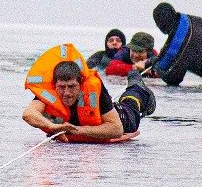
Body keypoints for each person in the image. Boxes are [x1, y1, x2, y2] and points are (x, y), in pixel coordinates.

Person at [23, 43, 156, 141]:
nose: (66, 93)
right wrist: (52, 126)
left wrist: (77, 130)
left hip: (124, 117)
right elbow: (28, 114)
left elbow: (116, 129)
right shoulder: (48, 93)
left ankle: (136, 81)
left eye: (71, 86)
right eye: (62, 87)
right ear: (55, 85)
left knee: (132, 98)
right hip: (96, 119)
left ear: (80, 84)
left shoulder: (94, 88)